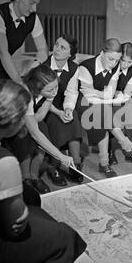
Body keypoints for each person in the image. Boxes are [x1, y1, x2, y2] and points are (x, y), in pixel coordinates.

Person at [0, 79, 86, 263]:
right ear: (15, 120)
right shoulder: (3, 162)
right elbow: (14, 225)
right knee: (65, 236)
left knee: (31, 196)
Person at [64, 38, 132, 178]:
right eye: (110, 59)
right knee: (104, 114)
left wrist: (99, 93)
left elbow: (108, 94)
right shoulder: (86, 67)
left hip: (101, 103)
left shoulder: (115, 66)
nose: (114, 64)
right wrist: (103, 95)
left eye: (117, 60)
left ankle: (104, 163)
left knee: (103, 115)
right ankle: (126, 146)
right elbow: (88, 95)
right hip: (82, 102)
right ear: (102, 53)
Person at [6, 65, 75, 192]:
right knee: (25, 143)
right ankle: (25, 178)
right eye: (50, 90)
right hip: (12, 125)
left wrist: (58, 111)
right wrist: (60, 155)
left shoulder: (47, 90)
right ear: (36, 87)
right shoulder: (24, 94)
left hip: (30, 119)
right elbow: (35, 131)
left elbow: (40, 110)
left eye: (56, 87)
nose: (54, 92)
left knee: (44, 139)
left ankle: (35, 176)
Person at [0, 0, 48, 83]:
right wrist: (19, 83)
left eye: (36, 4)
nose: (34, 9)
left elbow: (42, 49)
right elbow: (3, 53)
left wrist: (35, 64)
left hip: (4, 66)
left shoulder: (33, 18)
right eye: (31, 3)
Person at [42, 35, 84, 184]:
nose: (57, 49)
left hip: (61, 103)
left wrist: (67, 109)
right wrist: (58, 112)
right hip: (44, 106)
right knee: (55, 121)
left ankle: (76, 163)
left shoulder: (74, 68)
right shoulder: (44, 66)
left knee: (73, 116)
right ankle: (53, 165)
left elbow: (72, 93)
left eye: (63, 47)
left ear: (70, 54)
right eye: (56, 44)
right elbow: (41, 96)